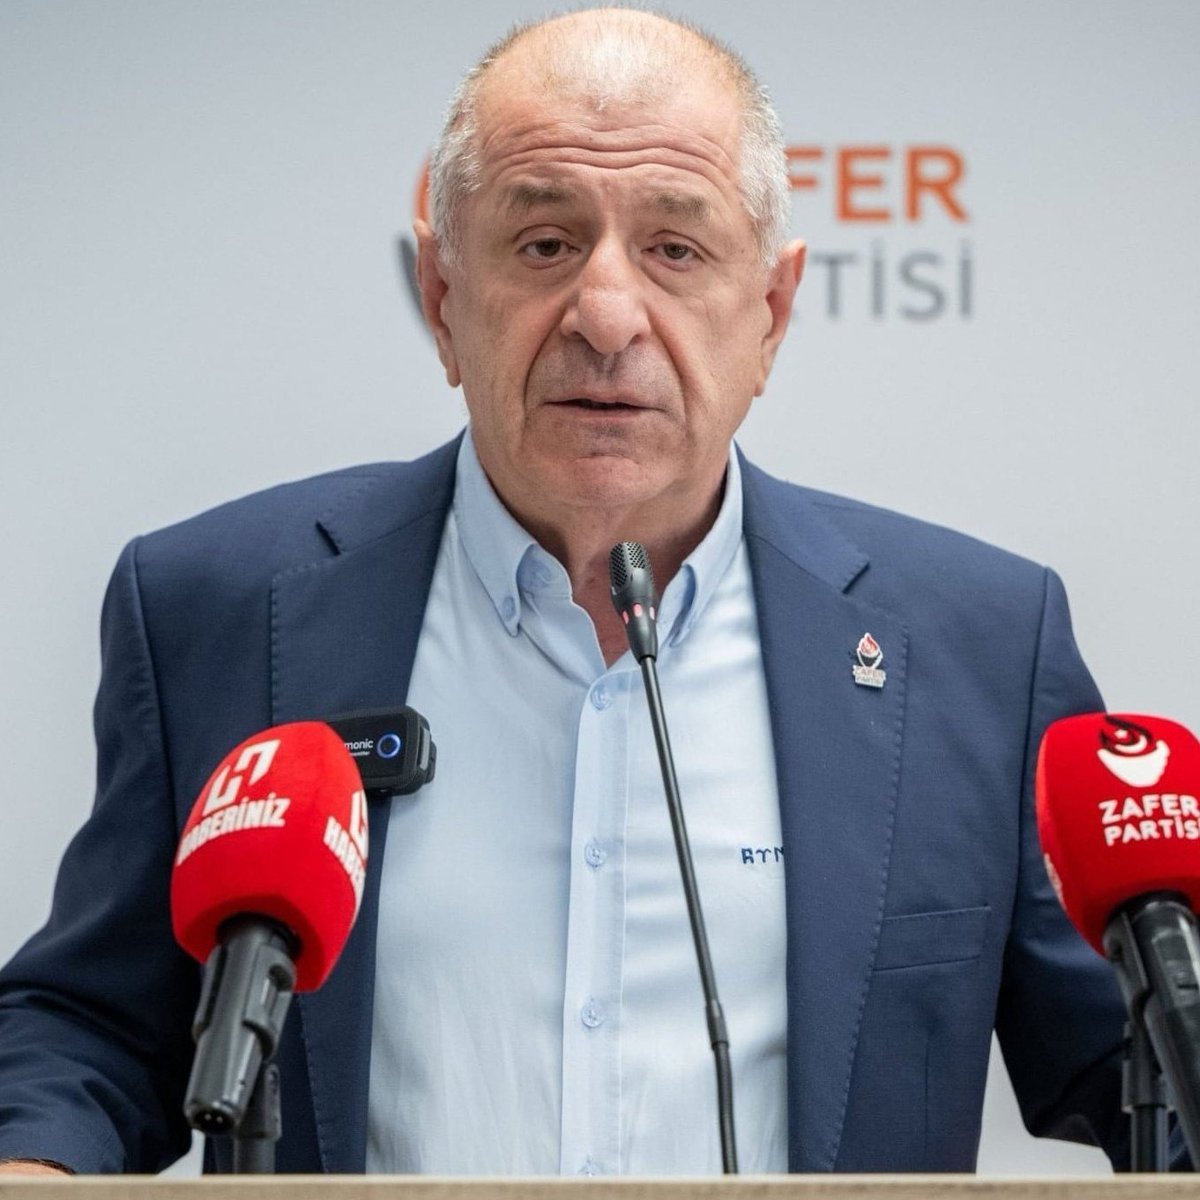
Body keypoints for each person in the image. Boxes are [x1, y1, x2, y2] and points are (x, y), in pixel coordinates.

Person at [0, 7, 1133, 1176]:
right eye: (544, 244)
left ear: (770, 314)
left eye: (676, 250)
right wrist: (33, 1165)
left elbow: (1136, 1058)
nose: (606, 315)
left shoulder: (977, 651)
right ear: (442, 295)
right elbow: (94, 1028)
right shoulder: (222, 608)